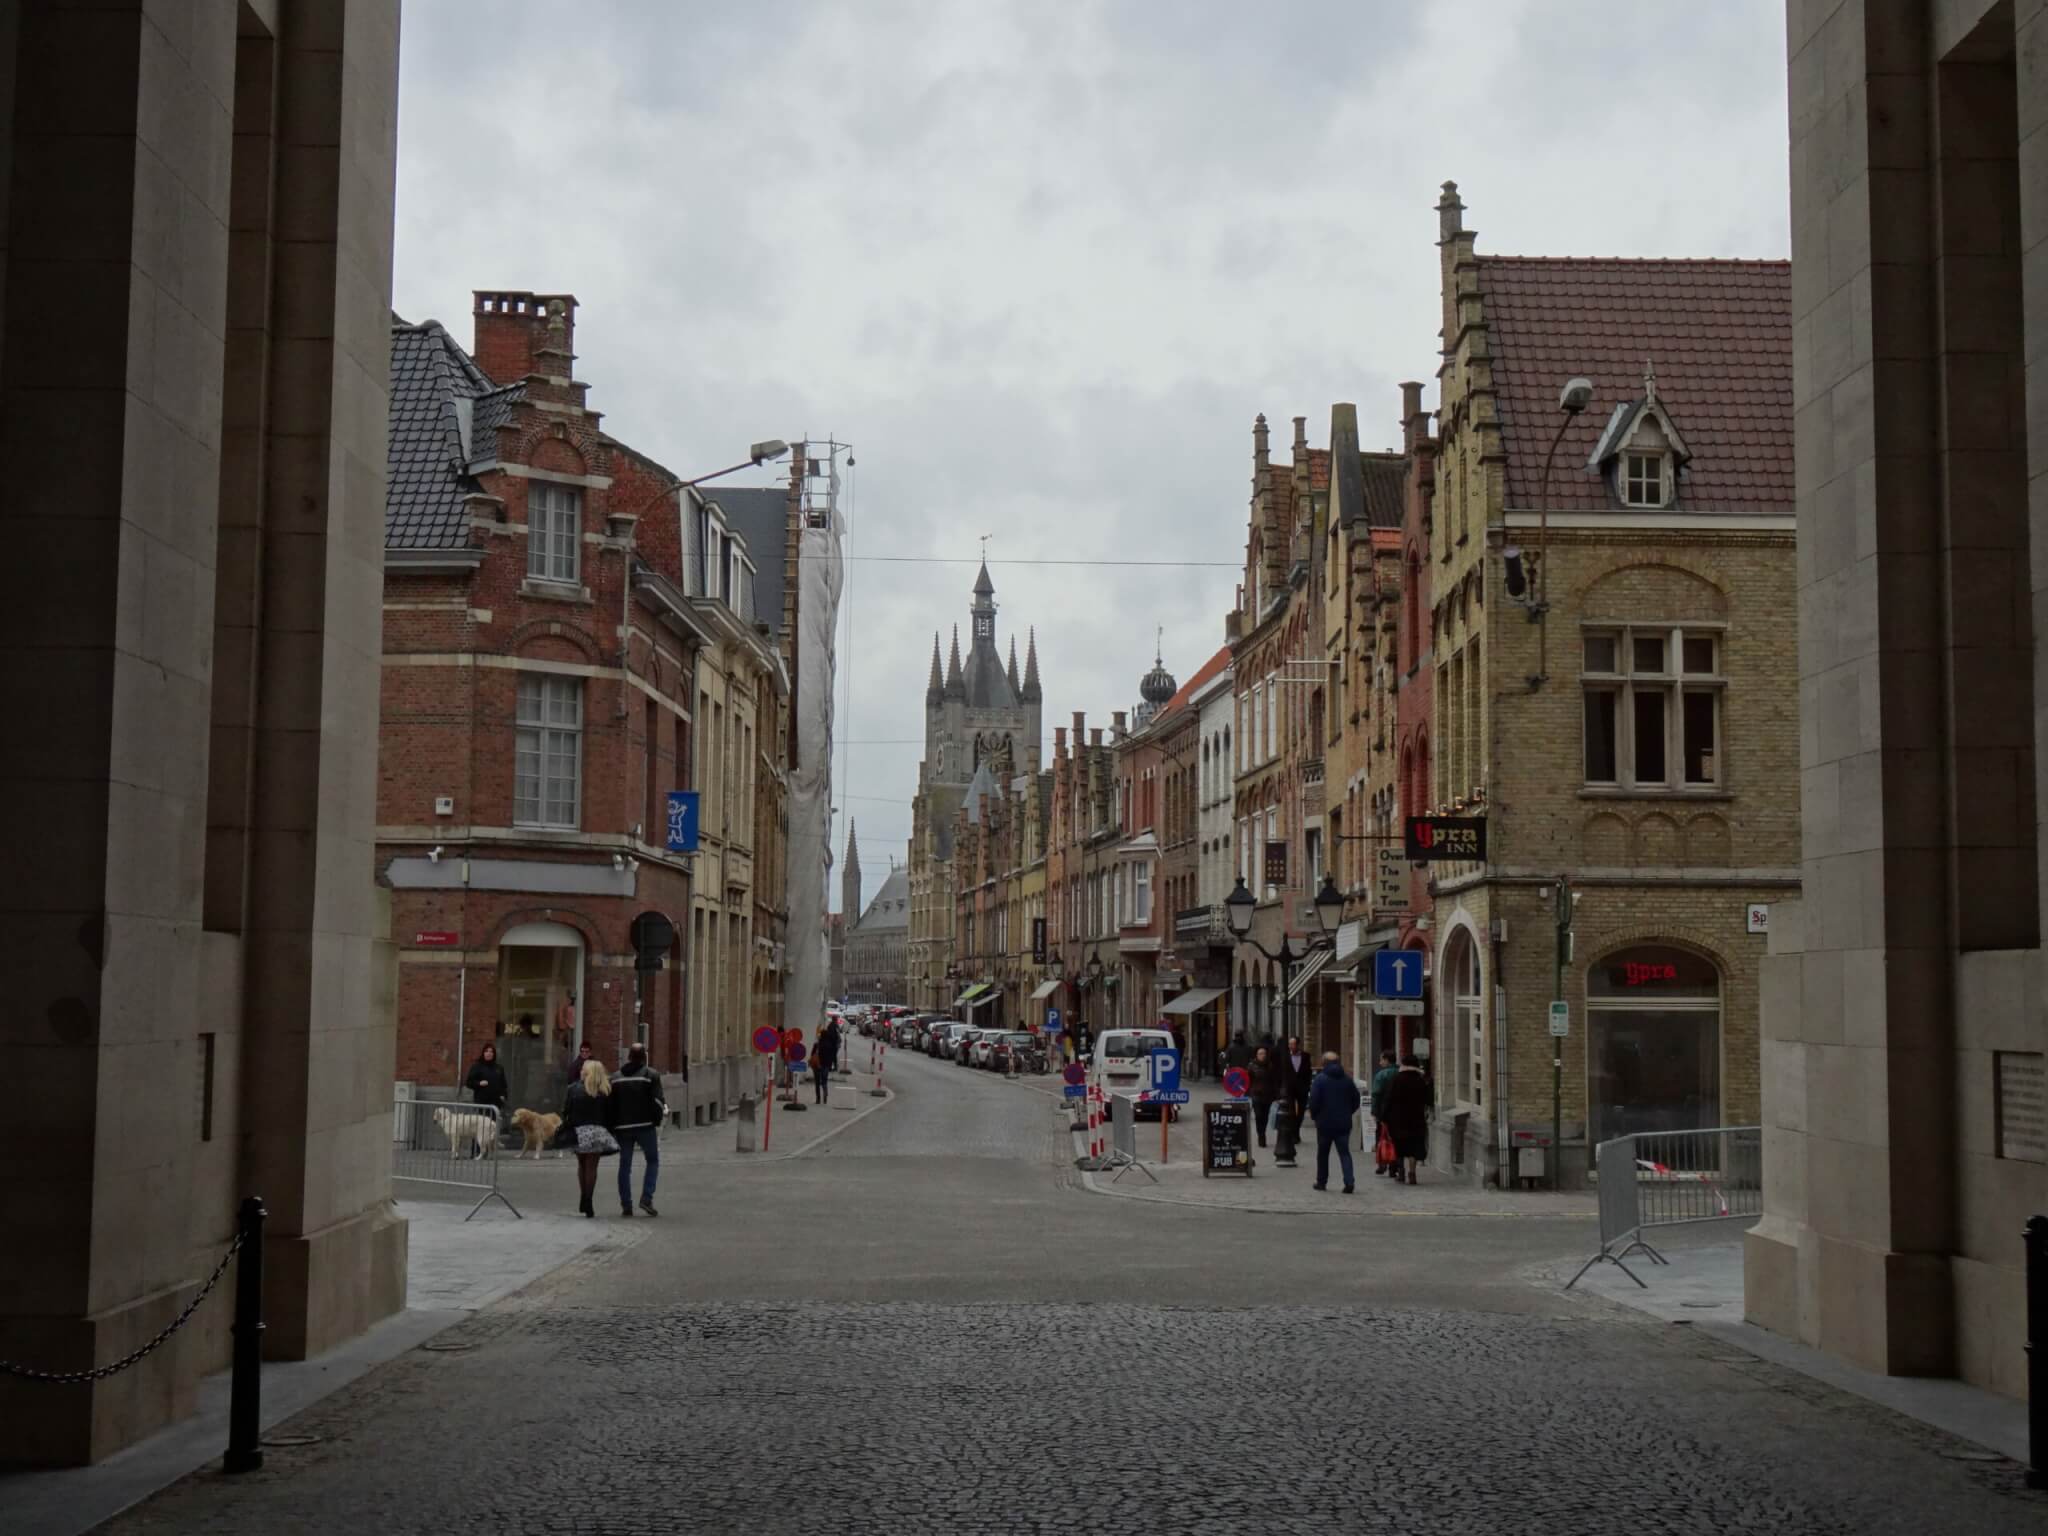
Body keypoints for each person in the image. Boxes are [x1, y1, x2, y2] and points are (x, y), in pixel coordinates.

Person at [608, 1042, 665, 1217]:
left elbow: (610, 1105)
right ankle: (646, 1198)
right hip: (645, 1126)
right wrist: (656, 1121)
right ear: (644, 1057)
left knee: (625, 1165)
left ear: (629, 1057)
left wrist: (613, 1126)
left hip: (623, 1128)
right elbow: (658, 1102)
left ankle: (626, 1204)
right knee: (652, 1161)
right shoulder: (651, 1075)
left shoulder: (615, 1078)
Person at [559, 1058, 619, 1218]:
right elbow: (610, 1114)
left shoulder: (572, 1089)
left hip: (579, 1131)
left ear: (587, 1072)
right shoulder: (604, 1090)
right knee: (592, 1167)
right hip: (597, 1131)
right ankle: (588, 1200)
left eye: (582, 1069)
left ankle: (583, 1196)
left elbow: (565, 1111)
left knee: (581, 1164)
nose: (580, 1071)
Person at [1307, 1052, 1362, 1193]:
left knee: (1323, 1153)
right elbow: (1356, 1099)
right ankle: (1349, 1181)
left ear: (1324, 1062)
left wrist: (1314, 1115)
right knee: (1344, 1153)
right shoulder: (1347, 1080)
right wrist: (1347, 1112)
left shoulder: (1320, 1080)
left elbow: (1314, 1101)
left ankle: (1321, 1181)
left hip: (1324, 1123)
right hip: (1343, 1122)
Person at [1381, 1054, 1432, 1185]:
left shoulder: (1396, 1079)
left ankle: (1401, 1171)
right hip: (1416, 1118)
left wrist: (1383, 1117)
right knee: (1414, 1146)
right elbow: (1428, 1099)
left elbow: (1388, 1099)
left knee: (1400, 1145)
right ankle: (1412, 1173)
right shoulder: (1420, 1080)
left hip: (1398, 1119)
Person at [463, 1042, 509, 1154]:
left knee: (491, 1130)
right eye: (486, 1051)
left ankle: (487, 1153)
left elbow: (504, 1085)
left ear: (494, 1054)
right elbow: (469, 1082)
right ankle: (476, 1152)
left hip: (494, 1104)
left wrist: (503, 1096)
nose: (489, 1054)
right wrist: (479, 1083)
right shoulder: (477, 1067)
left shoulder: (499, 1068)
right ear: (483, 1053)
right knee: (479, 1128)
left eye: (491, 1052)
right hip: (482, 1103)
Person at [1369, 1050, 1400, 1176]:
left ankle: (1382, 1164)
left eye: (1381, 1059)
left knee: (1382, 1137)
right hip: (1398, 1111)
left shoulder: (1381, 1075)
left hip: (1384, 1111)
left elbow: (1376, 1094)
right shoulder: (1400, 1072)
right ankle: (1394, 1166)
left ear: (1387, 1060)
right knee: (1396, 1139)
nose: (1380, 1062)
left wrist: (1374, 1111)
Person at [1247, 1045, 1277, 1149]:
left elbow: (1274, 1080)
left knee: (1265, 1116)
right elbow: (1248, 1080)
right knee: (1258, 1115)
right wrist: (1248, 1092)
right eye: (1260, 1053)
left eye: (1264, 1053)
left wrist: (1275, 1094)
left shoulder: (1270, 1065)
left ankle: (1262, 1132)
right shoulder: (1251, 1066)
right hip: (1256, 1094)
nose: (1262, 1055)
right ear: (1256, 1055)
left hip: (1268, 1095)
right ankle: (1261, 1135)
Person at [813, 1018, 842, 1105]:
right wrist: (832, 1065)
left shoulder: (817, 1045)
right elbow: (832, 1056)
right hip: (826, 1065)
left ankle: (818, 1099)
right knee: (824, 1081)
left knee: (817, 1083)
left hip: (817, 1065)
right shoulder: (830, 1046)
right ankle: (825, 1095)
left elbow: (812, 1055)